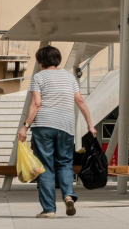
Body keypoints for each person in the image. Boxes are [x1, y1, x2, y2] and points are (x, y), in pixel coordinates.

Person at [17, 45, 95, 218]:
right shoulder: (69, 77)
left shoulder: (38, 77)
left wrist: (25, 126)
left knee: (45, 166)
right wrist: (90, 124)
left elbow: (36, 104)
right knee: (65, 163)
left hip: (44, 125)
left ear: (41, 60)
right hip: (66, 125)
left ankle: (49, 209)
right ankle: (68, 195)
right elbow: (80, 101)